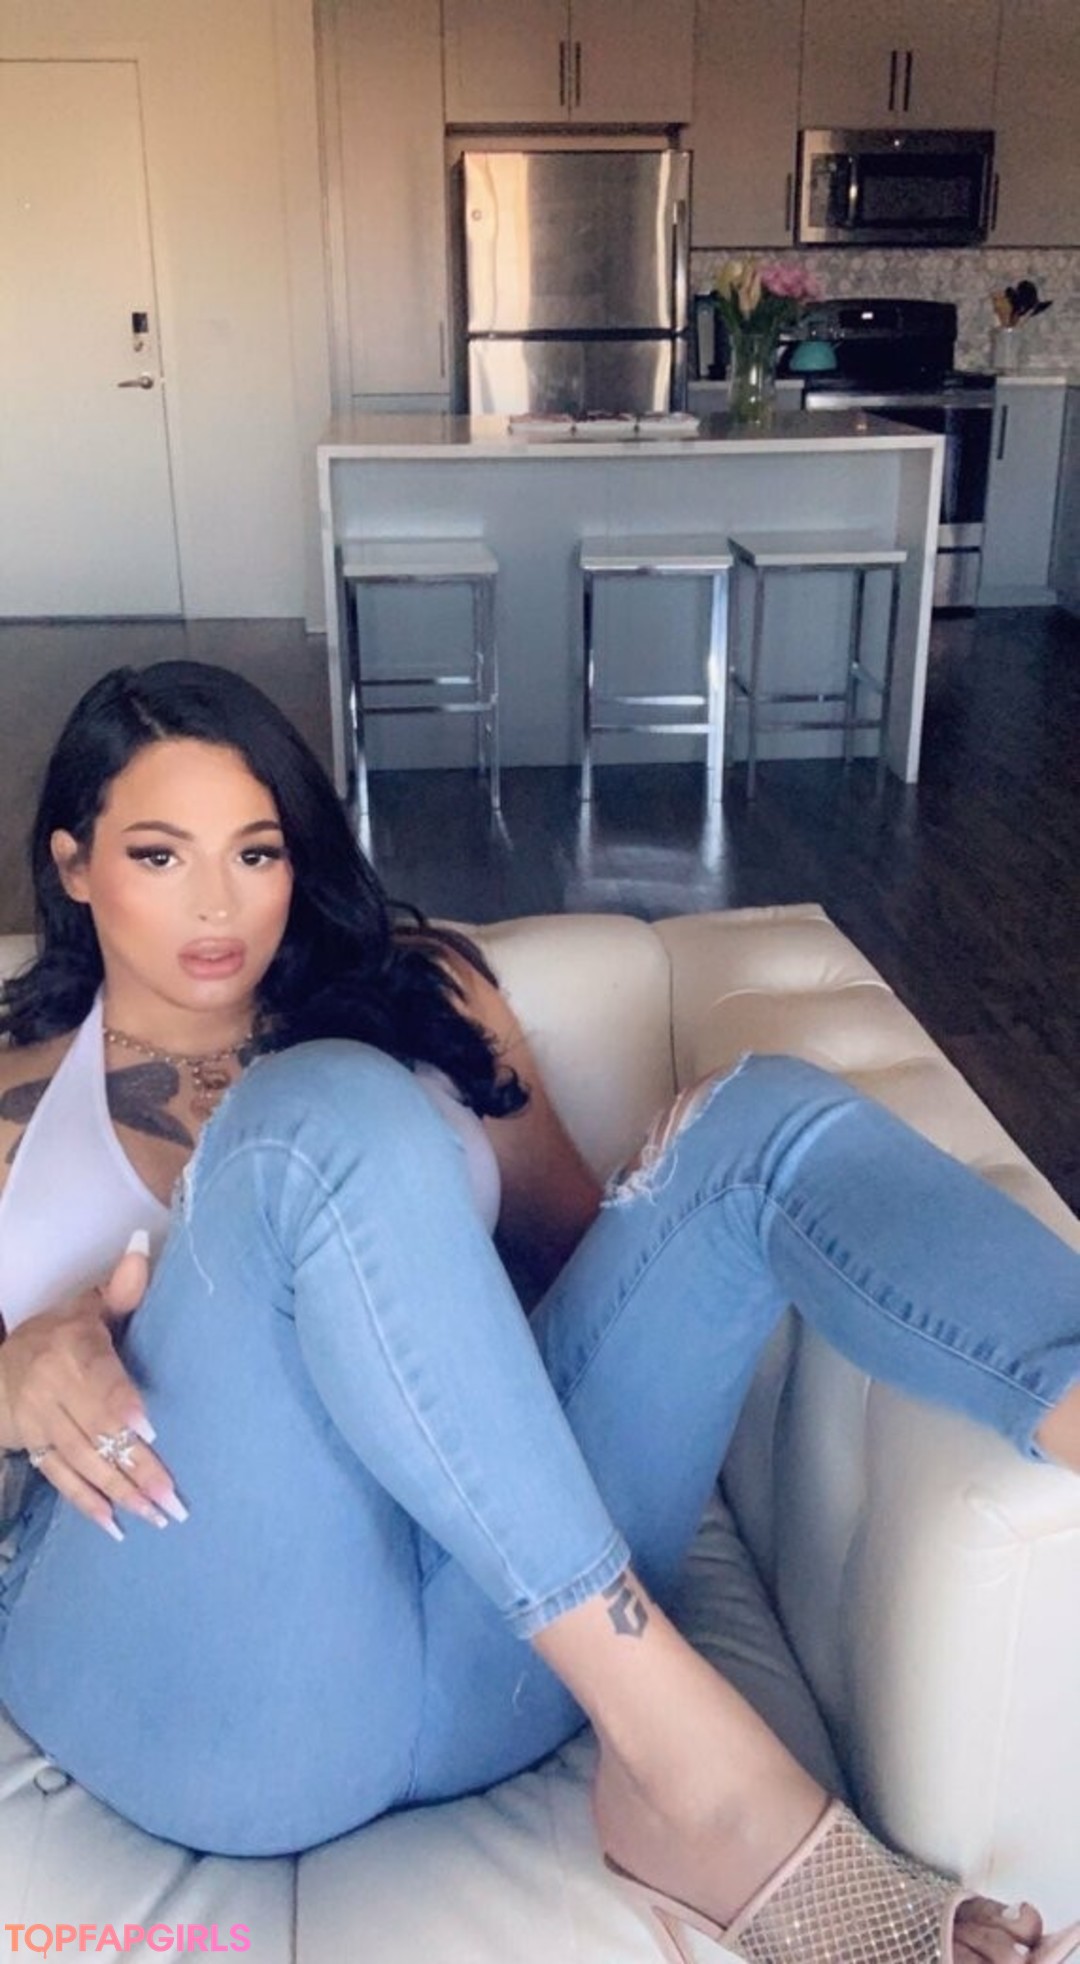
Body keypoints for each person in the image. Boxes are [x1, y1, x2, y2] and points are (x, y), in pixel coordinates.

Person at [0, 659, 1077, 1964]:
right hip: (203, 1686)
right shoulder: (13, 1087)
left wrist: (653, 1198)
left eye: (258, 852)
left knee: (756, 1126)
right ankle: (702, 1782)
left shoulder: (422, 998)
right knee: (312, 1117)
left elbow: (575, 1270)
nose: (219, 905)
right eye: (161, 855)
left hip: (502, 1656)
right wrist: (14, 1381)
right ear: (73, 864)